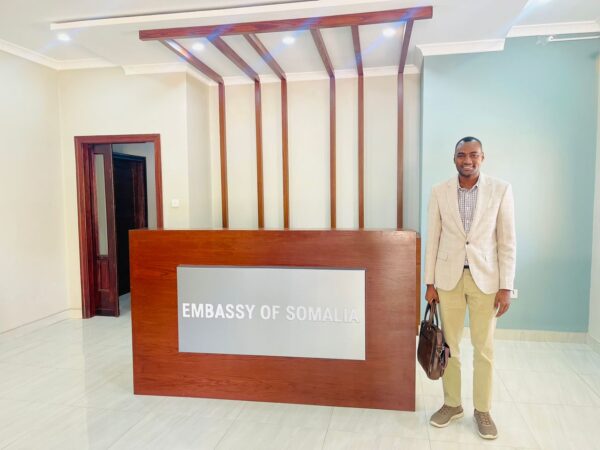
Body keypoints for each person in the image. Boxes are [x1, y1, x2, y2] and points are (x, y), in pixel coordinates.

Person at [424, 136, 516, 440]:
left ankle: (482, 410)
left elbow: (507, 241)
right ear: (454, 159)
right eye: (462, 155)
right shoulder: (439, 191)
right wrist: (429, 283)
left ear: (482, 157)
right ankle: (452, 404)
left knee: (483, 348)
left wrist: (506, 287)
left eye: (473, 155)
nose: (468, 160)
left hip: (486, 280)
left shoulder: (500, 190)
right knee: (449, 346)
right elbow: (433, 238)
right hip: (448, 279)